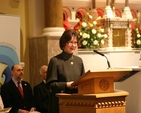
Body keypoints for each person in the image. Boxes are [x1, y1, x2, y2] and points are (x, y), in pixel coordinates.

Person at [46, 29, 85, 113]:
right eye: (70, 42)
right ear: (64, 43)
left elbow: (83, 81)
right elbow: (50, 85)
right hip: (61, 104)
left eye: (75, 42)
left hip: (78, 103)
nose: (73, 45)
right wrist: (66, 85)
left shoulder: (79, 61)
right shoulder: (55, 61)